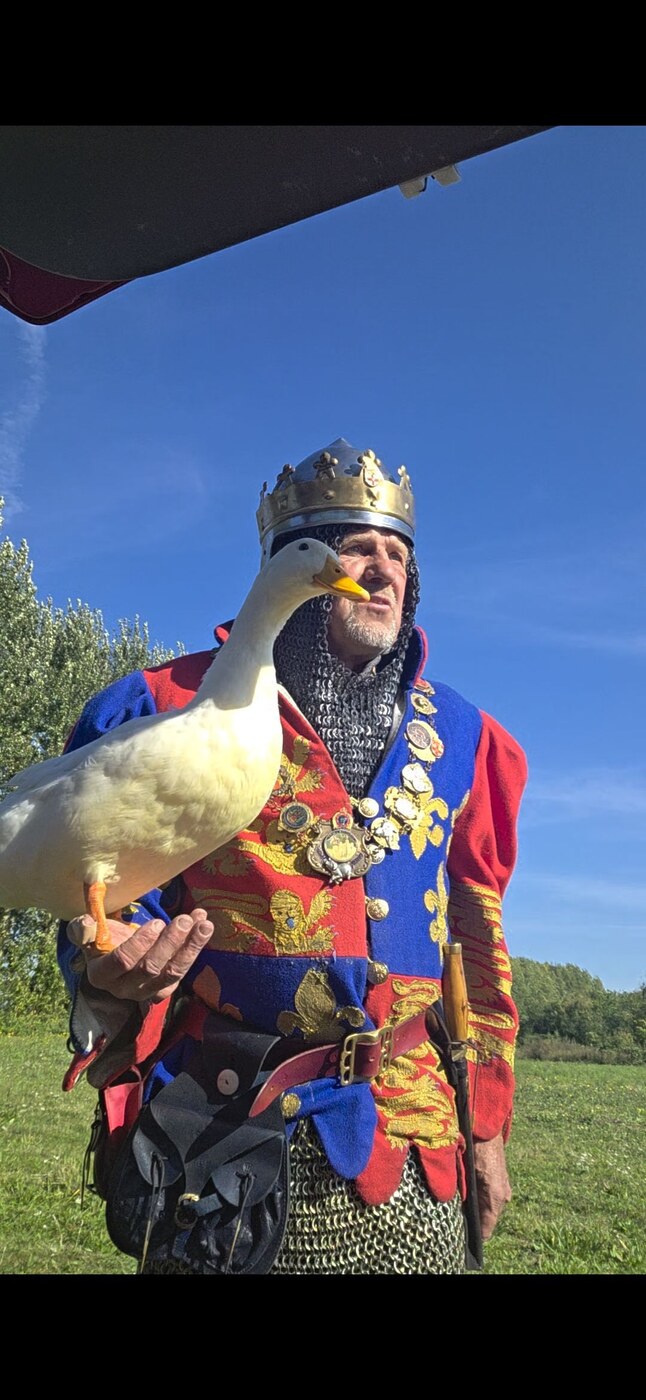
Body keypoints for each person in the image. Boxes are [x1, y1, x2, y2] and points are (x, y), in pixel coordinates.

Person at [59, 437, 527, 1275]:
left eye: (397, 553)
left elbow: (479, 947)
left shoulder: (467, 737)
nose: (381, 569)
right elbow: (101, 893)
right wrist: (105, 966)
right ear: (293, 566)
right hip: (230, 1127)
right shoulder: (165, 707)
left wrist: (485, 1127)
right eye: (355, 546)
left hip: (414, 1143)